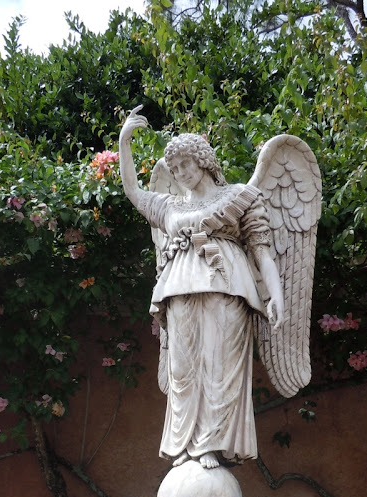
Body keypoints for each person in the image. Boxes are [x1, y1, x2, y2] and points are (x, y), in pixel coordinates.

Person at [119, 106, 284, 469]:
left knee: (219, 367)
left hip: (227, 285)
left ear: (203, 161)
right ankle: (184, 444)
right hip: (180, 288)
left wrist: (276, 295)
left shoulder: (240, 196)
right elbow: (133, 191)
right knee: (183, 369)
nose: (180, 173)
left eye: (185, 165)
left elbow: (261, 250)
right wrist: (124, 141)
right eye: (175, 169)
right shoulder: (170, 206)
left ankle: (210, 444)